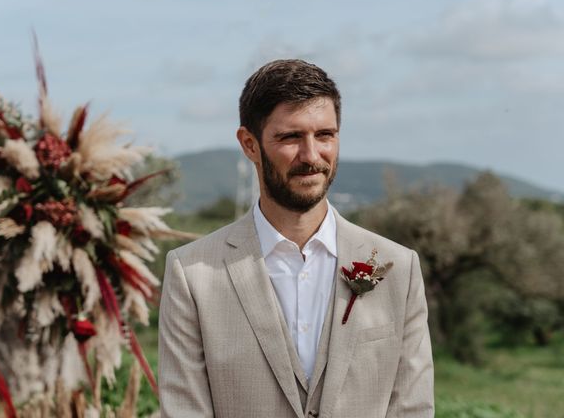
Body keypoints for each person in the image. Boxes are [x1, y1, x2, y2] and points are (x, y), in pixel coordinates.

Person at [158, 59, 434, 418]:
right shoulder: (192, 274)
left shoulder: (400, 268)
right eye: (290, 137)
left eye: (325, 135)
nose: (311, 156)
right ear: (249, 144)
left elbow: (412, 409)